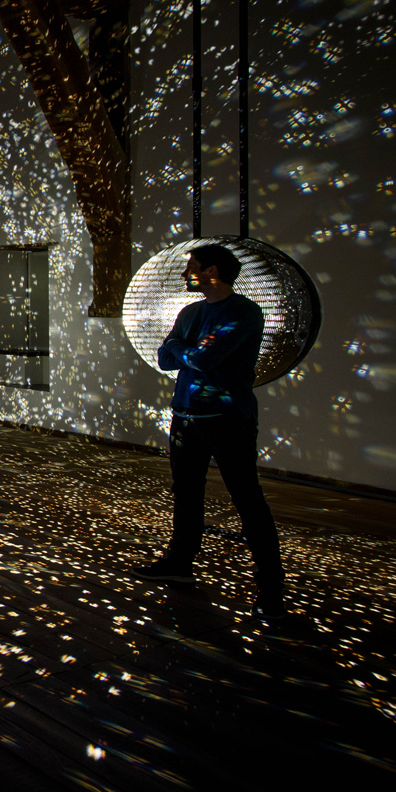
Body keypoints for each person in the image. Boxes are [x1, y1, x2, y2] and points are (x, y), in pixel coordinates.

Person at [132, 243, 285, 617]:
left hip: (227, 417)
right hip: (186, 415)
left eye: (193, 268)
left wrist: (186, 350)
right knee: (185, 491)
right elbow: (165, 357)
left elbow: (202, 357)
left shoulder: (244, 312)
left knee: (246, 496)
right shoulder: (190, 311)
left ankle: (271, 586)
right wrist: (189, 350)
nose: (186, 275)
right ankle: (179, 564)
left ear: (212, 271)